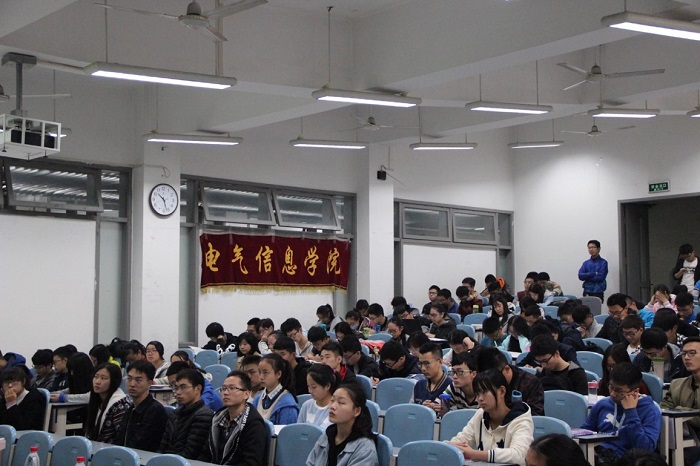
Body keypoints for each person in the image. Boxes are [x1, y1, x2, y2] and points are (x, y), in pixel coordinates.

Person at [447, 369, 533, 465]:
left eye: (484, 392)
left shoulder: (521, 420)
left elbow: (519, 455)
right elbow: (461, 440)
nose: (480, 398)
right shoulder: (480, 415)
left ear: (502, 391)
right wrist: (451, 445)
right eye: (477, 394)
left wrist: (474, 454)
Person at [581, 363, 661, 465]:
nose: (613, 394)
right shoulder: (602, 404)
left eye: (619, 391)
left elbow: (646, 449)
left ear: (635, 391)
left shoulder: (650, 411)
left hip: (628, 460)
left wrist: (631, 412)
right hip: (599, 455)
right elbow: (585, 433)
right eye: (611, 387)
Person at [306, 382, 379, 466]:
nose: (332, 406)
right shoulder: (327, 436)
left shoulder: (365, 448)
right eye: (332, 400)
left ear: (357, 411)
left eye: (341, 402)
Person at [208, 370, 268, 466]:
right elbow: (205, 454)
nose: (225, 393)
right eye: (223, 388)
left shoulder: (254, 425)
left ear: (246, 394)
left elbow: (251, 463)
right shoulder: (217, 419)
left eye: (232, 388)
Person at [159, 368, 214, 461]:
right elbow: (162, 446)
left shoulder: (204, 416)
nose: (178, 392)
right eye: (176, 388)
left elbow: (191, 454)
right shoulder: (175, 413)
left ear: (198, 389)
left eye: (183, 387)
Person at [660, 337, 700, 464]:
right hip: (679, 437)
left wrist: (679, 409)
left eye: (692, 353)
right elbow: (664, 408)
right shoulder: (677, 384)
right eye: (684, 353)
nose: (686, 358)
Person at [114, 360, 168, 452]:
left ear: (149, 383)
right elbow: (120, 439)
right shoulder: (131, 408)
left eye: (138, 380)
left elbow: (141, 445)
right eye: (129, 378)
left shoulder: (155, 411)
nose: (132, 384)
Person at [476, 347, 544, 415]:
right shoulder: (481, 382)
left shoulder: (530, 383)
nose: (491, 383)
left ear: (507, 369)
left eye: (494, 378)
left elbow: (535, 416)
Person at [85, 363, 132, 443]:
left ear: (114, 381)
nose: (97, 382)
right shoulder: (97, 400)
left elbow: (121, 437)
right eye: (96, 377)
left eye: (103, 378)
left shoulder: (121, 404)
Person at [251, 353, 299, 425]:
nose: (261, 377)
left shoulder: (288, 404)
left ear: (278, 374)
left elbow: (286, 431)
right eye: (259, 372)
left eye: (265, 372)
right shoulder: (257, 398)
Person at [298, 364, 338, 429]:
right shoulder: (306, 406)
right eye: (308, 386)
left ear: (327, 386)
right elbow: (298, 429)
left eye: (314, 387)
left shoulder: (335, 408)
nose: (310, 391)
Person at [414, 343, 452, 410]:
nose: (423, 368)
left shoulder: (451, 387)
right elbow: (411, 411)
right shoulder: (419, 385)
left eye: (426, 363)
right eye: (420, 364)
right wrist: (421, 409)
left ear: (440, 362)